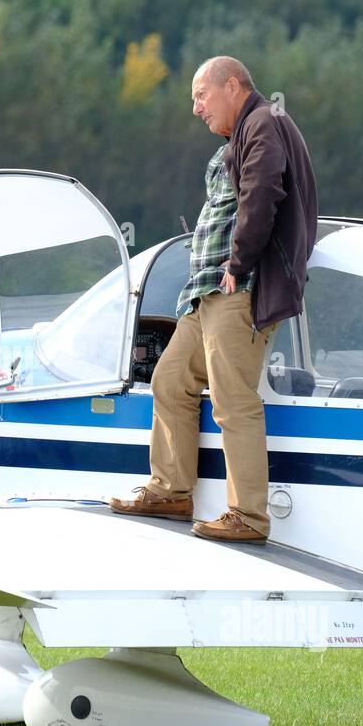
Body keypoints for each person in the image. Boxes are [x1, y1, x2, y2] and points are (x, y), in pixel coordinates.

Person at [111, 56, 316, 544]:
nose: (196, 108)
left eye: (201, 95)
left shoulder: (265, 121)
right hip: (206, 293)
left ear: (232, 85)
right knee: (170, 379)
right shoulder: (247, 131)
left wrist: (237, 264)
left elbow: (263, 192)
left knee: (232, 400)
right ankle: (171, 491)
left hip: (239, 289)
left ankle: (248, 516)